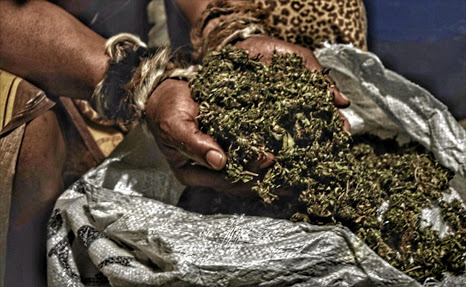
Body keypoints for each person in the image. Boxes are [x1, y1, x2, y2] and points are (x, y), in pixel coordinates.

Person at [0, 0, 367, 285]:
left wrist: (227, 30)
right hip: (28, 40)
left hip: (130, 28)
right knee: (32, 133)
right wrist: (140, 81)